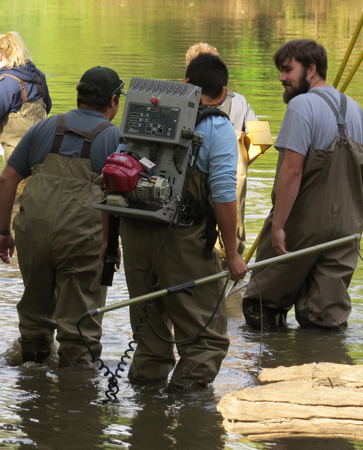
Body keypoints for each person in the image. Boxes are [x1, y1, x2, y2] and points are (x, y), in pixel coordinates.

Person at [117, 55, 248, 390]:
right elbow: (222, 194)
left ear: (186, 84)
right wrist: (232, 255)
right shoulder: (218, 127)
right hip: (182, 238)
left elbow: (117, 171)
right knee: (207, 340)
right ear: (222, 95)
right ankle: (184, 412)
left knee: (150, 336)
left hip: (133, 232)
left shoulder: (142, 111)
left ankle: (146, 418)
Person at [241, 39, 363, 331]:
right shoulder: (356, 109)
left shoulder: (301, 106)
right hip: (346, 229)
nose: (281, 78)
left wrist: (278, 227)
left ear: (311, 69)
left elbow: (292, 171)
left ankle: (273, 370)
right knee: (324, 317)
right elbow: (362, 170)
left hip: (298, 226)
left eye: (288, 70)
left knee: (261, 306)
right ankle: (324, 369)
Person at [0, 66, 122, 366]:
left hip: (33, 234)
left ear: (79, 97)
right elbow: (113, 196)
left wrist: (3, 233)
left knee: (35, 317)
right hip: (81, 238)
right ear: (113, 101)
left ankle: (32, 388)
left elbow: (6, 180)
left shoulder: (45, 127)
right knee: (80, 326)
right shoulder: (115, 138)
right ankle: (75, 398)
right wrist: (109, 242)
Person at [185, 43, 261, 256]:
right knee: (231, 238)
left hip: (192, 185)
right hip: (231, 178)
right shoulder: (239, 101)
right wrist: (241, 161)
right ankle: (230, 265)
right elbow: (260, 139)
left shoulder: (180, 103)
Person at [0, 32, 52, 217]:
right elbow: (47, 106)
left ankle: (14, 240)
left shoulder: (4, 82)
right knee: (41, 198)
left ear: (0, 56)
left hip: (18, 156)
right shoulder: (38, 76)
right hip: (44, 149)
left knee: (19, 205)